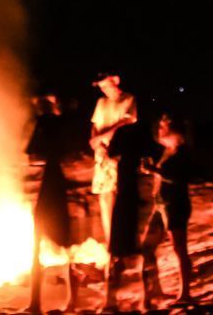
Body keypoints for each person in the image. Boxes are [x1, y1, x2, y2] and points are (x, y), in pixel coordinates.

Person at [25, 92, 81, 314]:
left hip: (50, 186)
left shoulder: (45, 123)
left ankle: (35, 303)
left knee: (39, 242)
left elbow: (31, 154)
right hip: (63, 186)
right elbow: (72, 155)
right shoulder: (65, 125)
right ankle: (71, 301)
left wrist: (47, 157)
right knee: (66, 243)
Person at [101, 116, 160, 310]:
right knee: (143, 248)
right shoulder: (145, 134)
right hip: (141, 195)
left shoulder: (123, 132)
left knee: (118, 249)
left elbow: (111, 153)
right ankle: (146, 300)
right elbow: (156, 152)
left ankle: (111, 301)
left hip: (126, 198)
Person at [141, 114, 194, 304]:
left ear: (175, 131)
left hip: (175, 204)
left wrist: (155, 171)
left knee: (179, 248)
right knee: (147, 246)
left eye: (164, 127)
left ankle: (185, 293)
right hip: (160, 204)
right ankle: (155, 289)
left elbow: (180, 178)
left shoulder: (182, 152)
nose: (160, 130)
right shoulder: (168, 151)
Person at [89, 71, 137, 244]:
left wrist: (103, 137)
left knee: (119, 195)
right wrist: (95, 140)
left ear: (115, 82)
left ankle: (122, 242)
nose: (104, 90)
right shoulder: (101, 103)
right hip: (101, 154)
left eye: (106, 85)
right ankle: (110, 240)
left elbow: (125, 122)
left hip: (117, 153)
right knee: (104, 196)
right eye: (101, 87)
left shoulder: (128, 99)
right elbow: (94, 125)